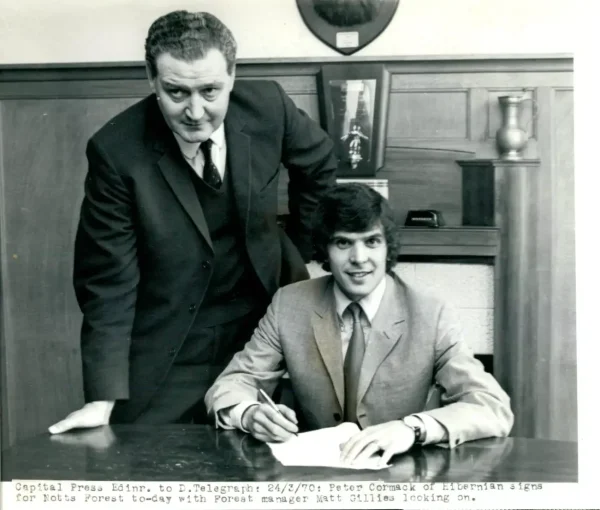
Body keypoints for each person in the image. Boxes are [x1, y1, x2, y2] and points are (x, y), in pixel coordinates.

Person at [48, 10, 336, 433]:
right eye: (177, 92)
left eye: (210, 90)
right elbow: (107, 283)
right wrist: (102, 397)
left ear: (233, 76)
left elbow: (319, 165)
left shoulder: (269, 107)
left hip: (262, 331)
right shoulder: (115, 151)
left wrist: (295, 245)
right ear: (152, 79)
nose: (195, 111)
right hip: (170, 343)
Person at [205, 183, 513, 465]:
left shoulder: (430, 313)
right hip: (314, 479)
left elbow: (492, 407)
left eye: (372, 241)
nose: (359, 258)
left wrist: (413, 429)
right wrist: (250, 414)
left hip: (399, 478)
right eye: (343, 243)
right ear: (325, 249)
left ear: (387, 247)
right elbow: (232, 384)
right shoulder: (290, 304)